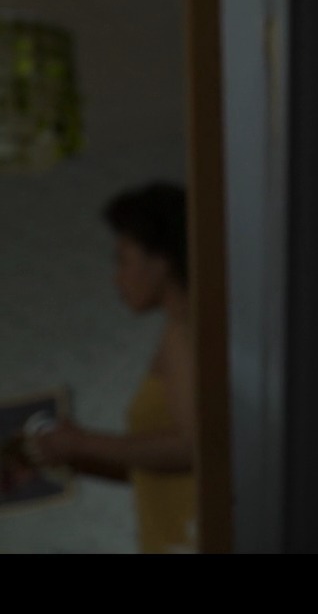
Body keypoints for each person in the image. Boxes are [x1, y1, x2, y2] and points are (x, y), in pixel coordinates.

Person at [19, 182, 197, 553]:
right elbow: (153, 466)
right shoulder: (176, 332)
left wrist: (82, 442)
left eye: (124, 260)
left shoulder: (184, 331)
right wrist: (74, 456)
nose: (117, 277)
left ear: (161, 260)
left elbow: (194, 448)